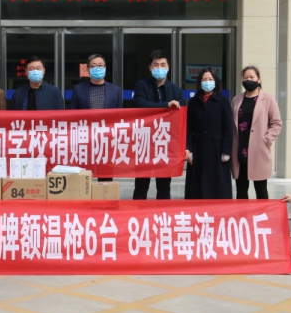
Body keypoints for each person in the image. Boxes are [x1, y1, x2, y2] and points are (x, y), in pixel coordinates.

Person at [133, 50, 184, 200]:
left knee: (164, 186)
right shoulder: (141, 85)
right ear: (150, 67)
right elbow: (141, 105)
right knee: (141, 186)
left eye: (163, 65)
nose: (159, 68)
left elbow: (179, 119)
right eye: (156, 65)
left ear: (168, 67)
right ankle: (138, 212)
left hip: (165, 142)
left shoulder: (176, 91)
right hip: (145, 141)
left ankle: (163, 212)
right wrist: (166, 106)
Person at [231, 66, 282, 199]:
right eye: (245, 77)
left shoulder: (268, 99)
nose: (248, 80)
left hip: (259, 149)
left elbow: (276, 123)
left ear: (259, 79)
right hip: (239, 149)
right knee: (241, 190)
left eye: (252, 77)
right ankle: (243, 213)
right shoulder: (236, 100)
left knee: (261, 190)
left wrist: (268, 138)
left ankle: (263, 213)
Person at [71, 53, 123, 182]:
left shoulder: (115, 90)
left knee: (105, 175)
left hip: (107, 138)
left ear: (105, 67)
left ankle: (104, 194)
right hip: (85, 137)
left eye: (100, 65)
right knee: (84, 174)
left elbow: (119, 116)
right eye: (94, 66)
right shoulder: (78, 89)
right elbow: (73, 115)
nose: (97, 68)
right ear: (88, 69)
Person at [184, 67, 233, 199]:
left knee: (217, 183)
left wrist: (226, 150)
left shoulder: (223, 101)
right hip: (198, 148)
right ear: (199, 82)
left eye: (210, 79)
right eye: (204, 79)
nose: (207, 81)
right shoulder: (193, 102)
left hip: (217, 149)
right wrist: (188, 149)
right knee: (197, 183)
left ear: (215, 81)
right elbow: (188, 127)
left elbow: (228, 127)